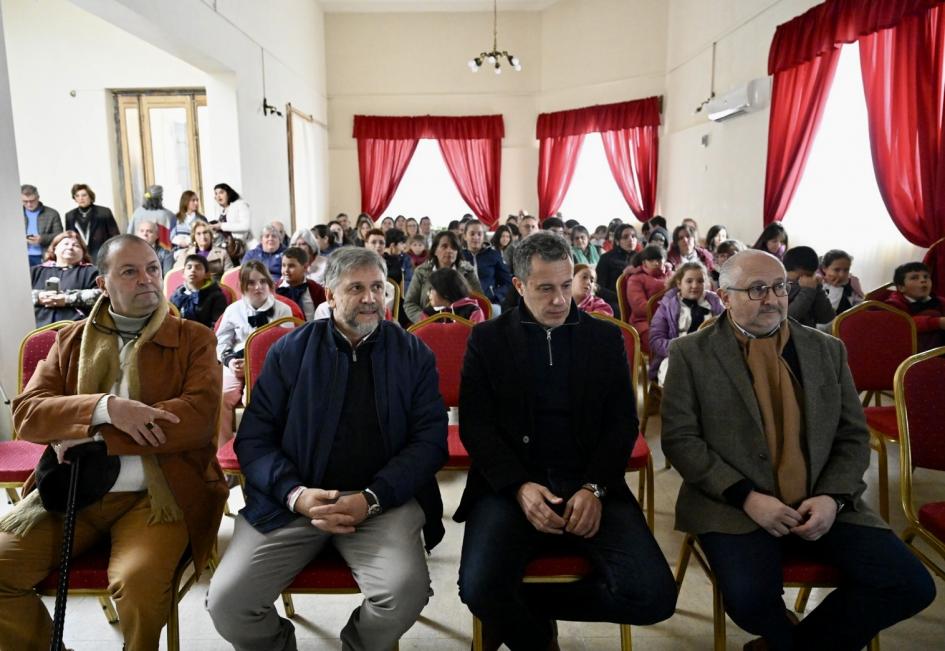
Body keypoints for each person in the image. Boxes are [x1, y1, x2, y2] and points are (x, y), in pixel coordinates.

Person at [661, 249, 936, 651]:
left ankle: (787, 645)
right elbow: (681, 440)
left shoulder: (826, 350)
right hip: (734, 505)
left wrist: (833, 498)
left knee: (911, 584)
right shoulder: (691, 354)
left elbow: (852, 435)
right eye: (757, 289)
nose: (773, 299)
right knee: (750, 601)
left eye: (780, 287)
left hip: (821, 498)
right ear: (723, 296)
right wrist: (746, 497)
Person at [207, 247, 448, 650]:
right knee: (229, 603)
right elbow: (254, 438)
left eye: (377, 287)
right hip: (295, 502)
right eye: (356, 288)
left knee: (405, 593)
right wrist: (295, 494)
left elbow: (429, 442)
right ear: (330, 296)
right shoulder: (290, 351)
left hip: (381, 503)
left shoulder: (413, 353)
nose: (370, 298)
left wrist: (372, 498)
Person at [2, 234, 227, 651]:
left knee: (138, 584)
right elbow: (28, 414)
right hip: (74, 491)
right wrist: (107, 407)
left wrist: (94, 434)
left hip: (158, 496)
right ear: (102, 283)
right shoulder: (70, 341)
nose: (147, 280)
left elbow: (194, 420)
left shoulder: (193, 339)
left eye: (153, 269)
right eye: (129, 271)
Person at [455, 232, 677, 650]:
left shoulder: (604, 338)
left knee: (654, 596)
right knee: (479, 589)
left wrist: (594, 487)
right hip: (510, 487)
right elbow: (477, 428)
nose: (560, 300)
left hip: (590, 482)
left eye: (564, 285)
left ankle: (528, 608)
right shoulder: (488, 340)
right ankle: (537, 638)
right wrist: (519, 487)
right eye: (545, 289)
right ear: (519, 286)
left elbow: (621, 424)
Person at [215, 261, 294, 446]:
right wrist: (229, 361)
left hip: (267, 366)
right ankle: (225, 449)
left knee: (254, 398)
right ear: (243, 286)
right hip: (237, 363)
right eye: (251, 283)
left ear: (269, 283)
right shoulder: (233, 310)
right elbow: (221, 341)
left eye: (262, 282)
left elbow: (288, 348)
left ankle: (258, 446)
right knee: (221, 397)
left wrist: (259, 365)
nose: (257, 287)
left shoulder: (283, 310)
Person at [648, 261, 723, 385]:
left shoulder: (714, 302)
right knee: (681, 381)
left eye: (700, 281)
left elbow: (726, 331)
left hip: (709, 355)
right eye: (689, 281)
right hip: (677, 355)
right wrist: (683, 349)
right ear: (679, 283)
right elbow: (656, 340)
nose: (695, 285)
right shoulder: (667, 306)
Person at [404, 231, 482, 324]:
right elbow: (410, 303)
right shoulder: (421, 272)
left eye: (454, 247)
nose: (449, 250)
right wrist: (425, 320)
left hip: (462, 326)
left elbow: (480, 300)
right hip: (427, 324)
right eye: (444, 246)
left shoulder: (467, 271)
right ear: (435, 250)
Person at [30, 231, 101, 327]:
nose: (70, 247)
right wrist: (39, 297)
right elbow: (18, 295)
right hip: (36, 328)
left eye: (76, 245)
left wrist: (67, 299)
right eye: (65, 244)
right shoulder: (36, 271)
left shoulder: (92, 272)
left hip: (76, 328)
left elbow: (102, 294)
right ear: (54, 249)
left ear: (83, 252)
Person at [885, 261, 945, 352]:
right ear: (901, 287)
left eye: (926, 277)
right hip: (910, 349)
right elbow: (902, 325)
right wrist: (937, 322)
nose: (923, 280)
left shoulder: (939, 301)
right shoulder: (893, 304)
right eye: (914, 278)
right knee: (932, 313)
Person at [462, 219, 512, 312]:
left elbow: (508, 282)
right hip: (464, 304)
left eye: (479, 234)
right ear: (465, 236)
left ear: (483, 236)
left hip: (490, 303)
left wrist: (496, 295)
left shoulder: (493, 255)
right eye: (472, 234)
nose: (476, 237)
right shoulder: (459, 256)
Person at [169, 254, 228, 329]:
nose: (193, 270)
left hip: (206, 336)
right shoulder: (177, 295)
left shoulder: (216, 296)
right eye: (189, 267)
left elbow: (218, 325)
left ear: (207, 274)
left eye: (198, 267)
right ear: (183, 273)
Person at [625, 244, 671, 339]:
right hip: (645, 322)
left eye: (659, 259)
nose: (656, 263)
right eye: (651, 260)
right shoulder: (636, 278)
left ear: (665, 260)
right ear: (644, 262)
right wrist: (667, 310)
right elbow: (639, 307)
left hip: (674, 318)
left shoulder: (672, 275)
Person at [63, 183, 119, 261]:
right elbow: (69, 238)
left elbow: (115, 236)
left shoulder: (104, 212)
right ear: (74, 198)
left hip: (102, 254)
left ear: (90, 196)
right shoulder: (70, 216)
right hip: (80, 257)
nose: (81, 198)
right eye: (77, 196)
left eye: (84, 195)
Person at [783, 246, 834, 328]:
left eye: (809, 276)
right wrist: (807, 291)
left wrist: (818, 288)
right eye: (800, 277)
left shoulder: (812, 286)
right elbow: (787, 319)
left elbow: (826, 318)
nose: (805, 280)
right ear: (785, 271)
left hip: (807, 336)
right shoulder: (780, 287)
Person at [596, 224, 641, 315]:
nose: (630, 239)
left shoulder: (641, 258)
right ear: (617, 241)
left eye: (633, 236)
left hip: (638, 298)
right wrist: (621, 297)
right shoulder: (606, 258)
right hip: (615, 300)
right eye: (625, 237)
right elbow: (599, 287)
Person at [276, 247, 327, 322]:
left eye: (291, 266)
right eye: (283, 265)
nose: (286, 270)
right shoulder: (274, 289)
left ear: (305, 267)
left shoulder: (316, 290)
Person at [421, 267, 485, 323]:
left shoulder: (473, 311)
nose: (428, 293)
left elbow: (478, 335)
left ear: (444, 291)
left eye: (431, 289)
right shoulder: (428, 313)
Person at [22, 184, 61, 267]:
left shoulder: (52, 213)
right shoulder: (15, 213)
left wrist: (42, 239)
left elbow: (60, 235)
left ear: (38, 198)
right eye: (25, 201)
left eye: (32, 200)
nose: (29, 204)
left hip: (45, 256)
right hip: (21, 256)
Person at [818, 250, 864, 317]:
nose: (842, 275)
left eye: (846, 270)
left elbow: (858, 303)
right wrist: (836, 288)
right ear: (824, 269)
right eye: (836, 270)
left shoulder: (851, 282)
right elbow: (825, 318)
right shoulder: (819, 286)